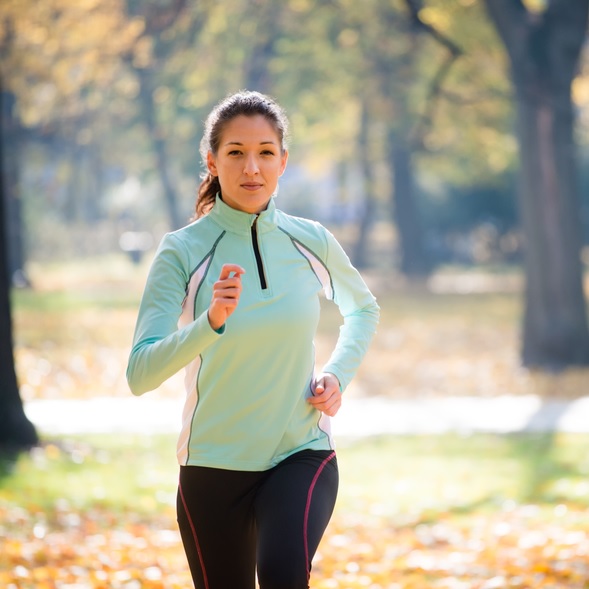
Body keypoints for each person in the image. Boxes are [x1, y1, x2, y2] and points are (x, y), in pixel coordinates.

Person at [126, 90, 380, 589]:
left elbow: (362, 308)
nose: (252, 168)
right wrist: (210, 323)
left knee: (285, 575)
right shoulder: (183, 251)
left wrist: (337, 374)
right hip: (212, 467)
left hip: (300, 450)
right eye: (236, 152)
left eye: (266, 152)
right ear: (212, 161)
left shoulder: (311, 240)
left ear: (283, 162)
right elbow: (140, 374)